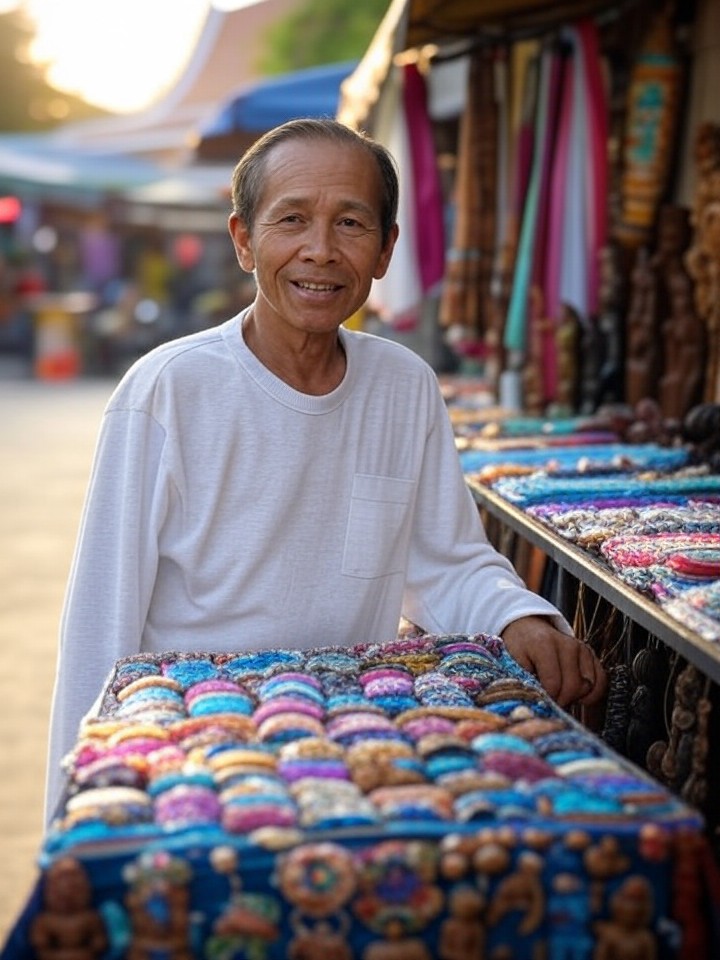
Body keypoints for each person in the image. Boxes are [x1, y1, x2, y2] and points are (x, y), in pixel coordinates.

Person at [45, 118, 606, 822]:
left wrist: (521, 617)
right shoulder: (168, 390)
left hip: (354, 748)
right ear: (244, 240)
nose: (320, 250)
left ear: (385, 249)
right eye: (291, 220)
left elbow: (445, 561)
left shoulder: (404, 386)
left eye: (350, 223)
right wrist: (75, 812)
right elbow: (101, 621)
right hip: (192, 755)